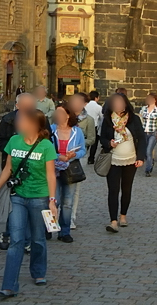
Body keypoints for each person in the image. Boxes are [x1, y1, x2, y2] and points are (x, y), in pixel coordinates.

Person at [0, 108, 58, 297]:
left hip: (39, 197)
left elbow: (51, 175)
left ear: (35, 124)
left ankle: (38, 271)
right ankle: (9, 285)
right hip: (17, 196)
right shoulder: (14, 141)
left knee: (37, 239)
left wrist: (52, 201)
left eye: (23, 121)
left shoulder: (46, 146)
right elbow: (8, 169)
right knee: (16, 240)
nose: (19, 124)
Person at [0, 93, 36, 251]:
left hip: (33, 169)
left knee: (28, 202)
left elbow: (47, 140)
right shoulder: (7, 120)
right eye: (24, 105)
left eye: (30, 105)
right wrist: (14, 148)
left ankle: (27, 239)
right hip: (11, 167)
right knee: (8, 202)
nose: (28, 108)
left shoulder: (40, 119)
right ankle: (6, 232)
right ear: (17, 106)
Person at [99, 92, 146, 232]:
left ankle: (123, 215)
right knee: (113, 190)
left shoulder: (134, 119)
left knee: (126, 189)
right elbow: (101, 139)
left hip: (130, 160)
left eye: (120, 102)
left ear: (125, 104)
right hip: (113, 160)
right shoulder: (107, 120)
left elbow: (142, 139)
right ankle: (113, 220)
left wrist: (140, 157)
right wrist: (109, 143)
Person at [50, 103, 86, 243]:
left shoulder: (77, 132)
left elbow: (83, 150)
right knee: (54, 200)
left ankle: (64, 231)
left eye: (60, 113)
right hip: (53, 169)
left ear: (67, 115)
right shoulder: (51, 130)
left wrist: (73, 155)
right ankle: (49, 227)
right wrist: (58, 156)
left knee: (67, 202)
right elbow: (46, 147)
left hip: (70, 170)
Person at [68, 93, 95, 229]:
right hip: (61, 155)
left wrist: (78, 143)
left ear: (84, 104)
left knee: (74, 187)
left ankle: (71, 216)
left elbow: (92, 138)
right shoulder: (63, 116)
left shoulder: (88, 120)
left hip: (79, 156)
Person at [139, 93, 157, 175]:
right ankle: (150, 161)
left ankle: (148, 169)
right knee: (145, 151)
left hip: (153, 132)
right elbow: (140, 119)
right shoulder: (143, 109)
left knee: (149, 150)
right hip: (144, 132)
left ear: (155, 100)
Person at [85, 90, 103, 164]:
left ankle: (83, 154)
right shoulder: (98, 107)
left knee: (86, 141)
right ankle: (91, 158)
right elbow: (102, 117)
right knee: (94, 143)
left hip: (85, 126)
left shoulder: (85, 106)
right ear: (96, 98)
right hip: (94, 126)